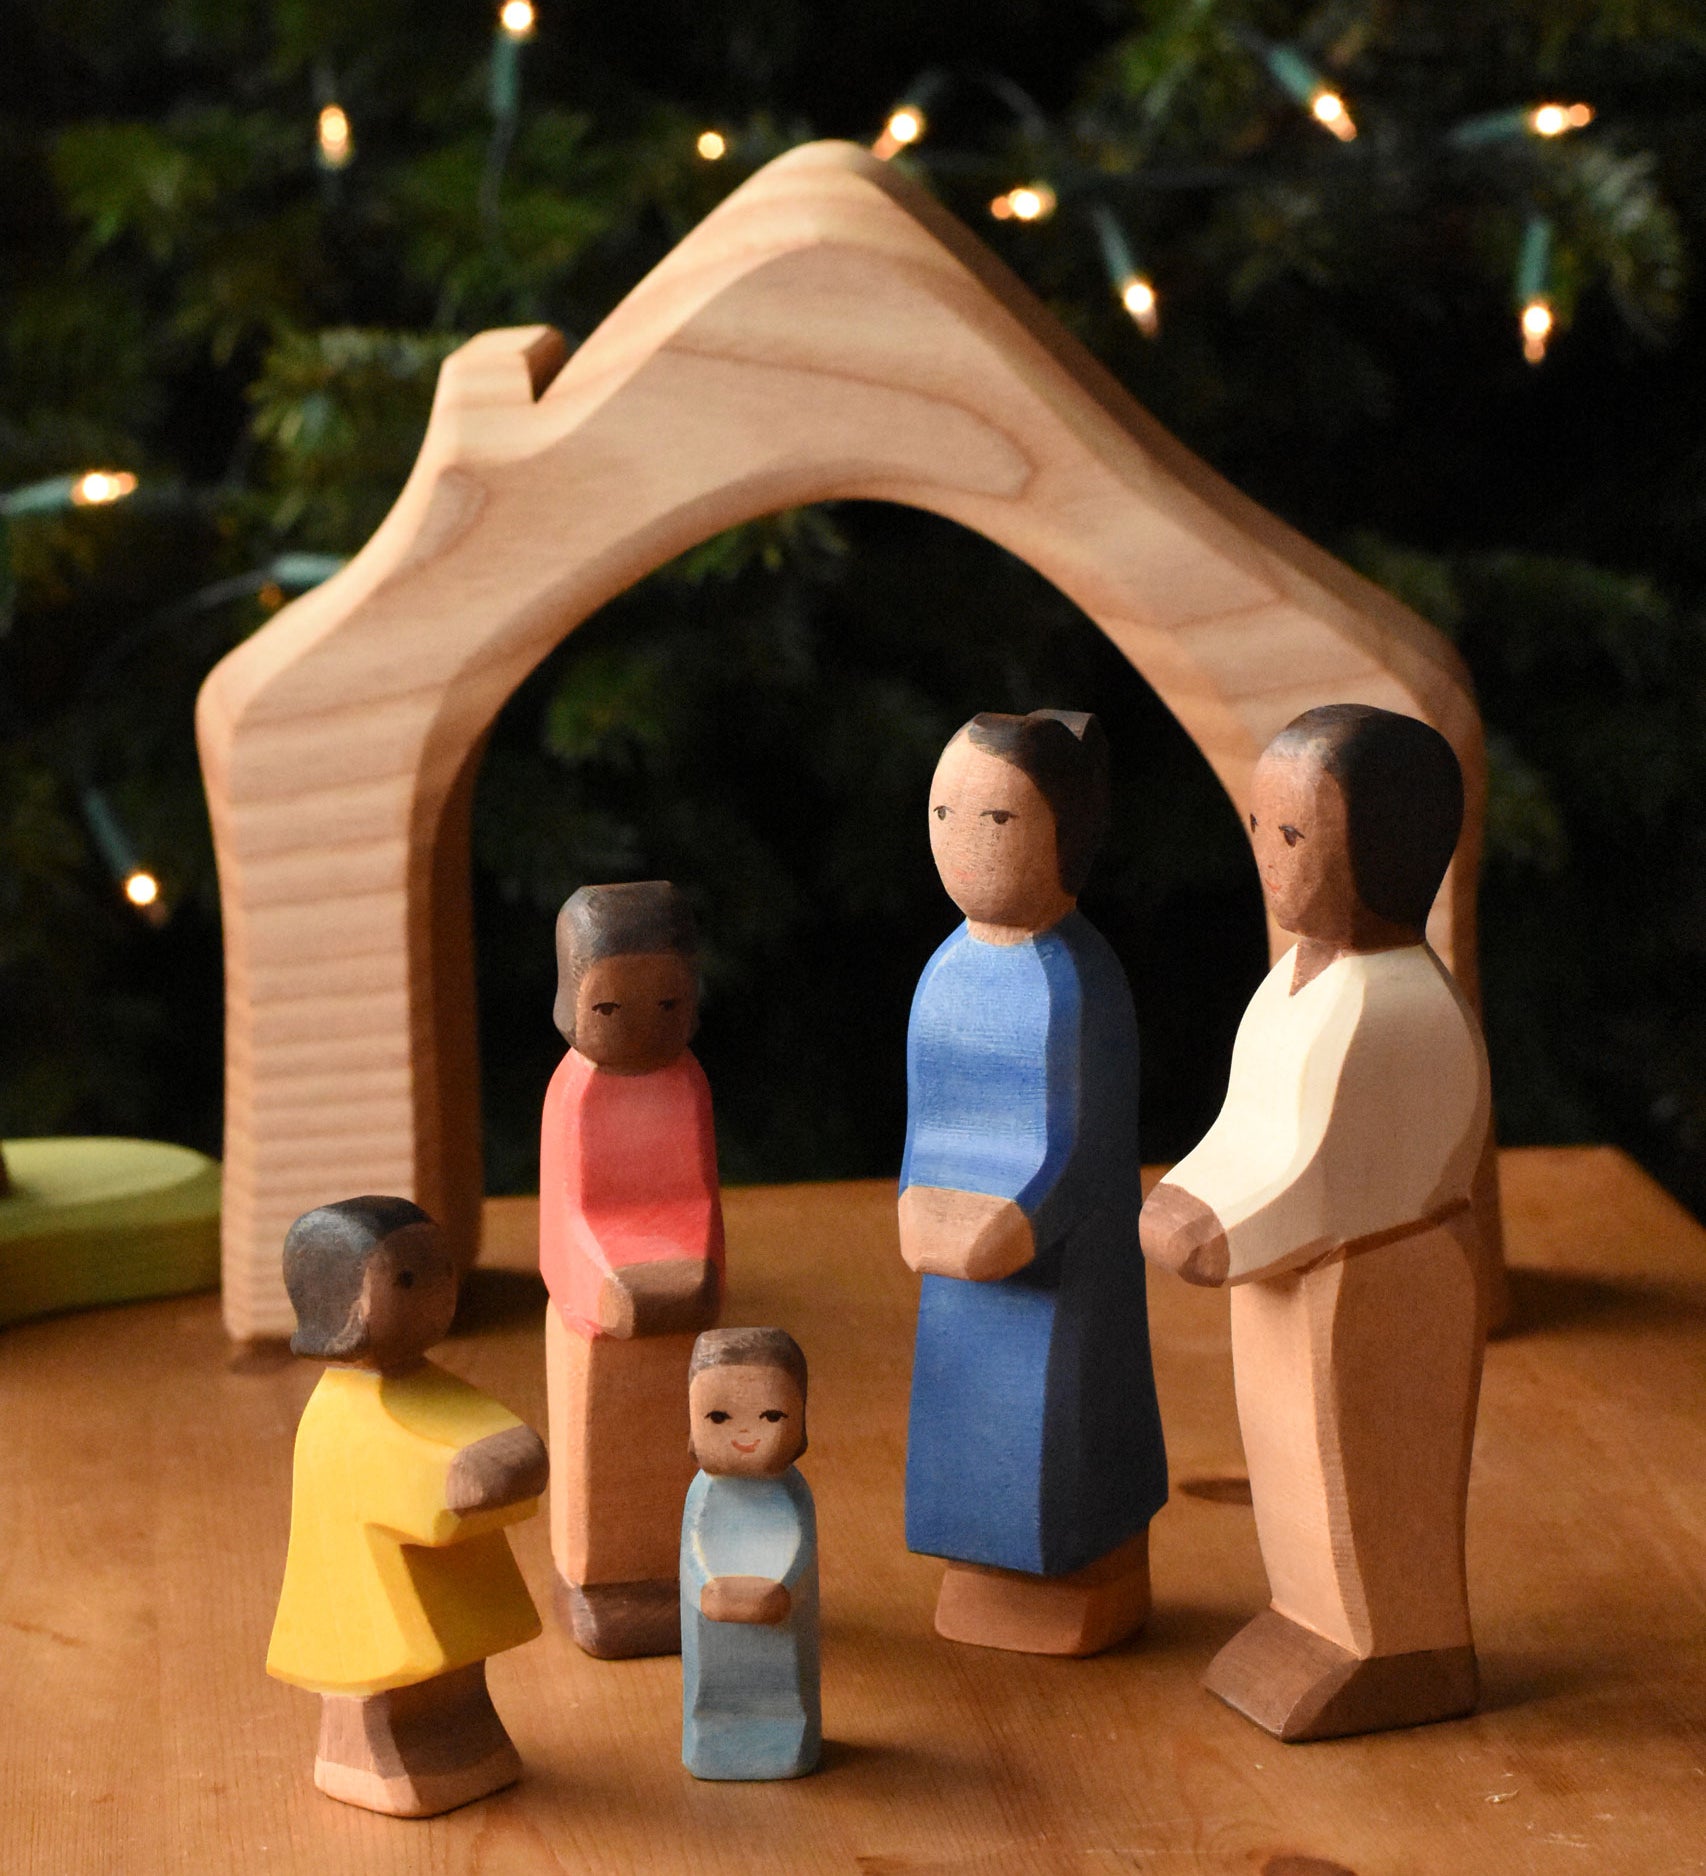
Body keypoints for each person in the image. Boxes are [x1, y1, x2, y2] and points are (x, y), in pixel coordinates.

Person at [1141, 703, 1491, 1740]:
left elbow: (1326, 1171)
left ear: (1381, 851)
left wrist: (1210, 1228)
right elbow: (1244, 1124)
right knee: (1288, 1464)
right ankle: (1304, 1619)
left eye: (1290, 836)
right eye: (1258, 828)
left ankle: (1393, 1650)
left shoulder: (1392, 1005)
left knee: (1366, 1484)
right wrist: (1189, 1193)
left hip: (1377, 1279)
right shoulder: (1293, 982)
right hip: (1291, 1275)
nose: (1263, 858)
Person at [899, 710, 1167, 1655]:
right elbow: (928, 1117)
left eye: (999, 822)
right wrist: (913, 1198)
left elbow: (1084, 1145)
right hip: (956, 1247)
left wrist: (1020, 1220)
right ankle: (980, 1571)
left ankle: (1093, 1573)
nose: (963, 844)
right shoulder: (945, 971)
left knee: (1063, 1427)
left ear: (1067, 834)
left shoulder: (1078, 979)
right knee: (963, 1412)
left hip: (1061, 1257)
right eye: (943, 812)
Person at [267, 1196, 547, 1816]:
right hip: (367, 1593)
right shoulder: (341, 1412)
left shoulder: (425, 1383)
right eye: (408, 1279)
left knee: (457, 1677)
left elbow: (481, 1430)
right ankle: (362, 1763)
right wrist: (459, 1476)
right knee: (384, 1692)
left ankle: (468, 1749)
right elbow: (391, 1470)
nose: (438, 1291)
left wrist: (500, 1462)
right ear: (344, 1303)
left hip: (438, 1583)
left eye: (442, 1271)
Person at [539, 880, 724, 1658]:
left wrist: (702, 1266)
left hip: (678, 1299)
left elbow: (698, 1194)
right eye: (611, 1009)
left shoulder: (686, 1085)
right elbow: (569, 1215)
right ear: (571, 1002)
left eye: (667, 1005)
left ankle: (685, 1578)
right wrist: (609, 1283)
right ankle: (600, 1584)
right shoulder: (576, 1094)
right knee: (602, 1467)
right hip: (598, 1317)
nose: (644, 1026)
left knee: (685, 1454)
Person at [680, 1327, 820, 1780]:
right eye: (718, 1417)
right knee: (713, 1693)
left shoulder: (792, 1493)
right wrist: (707, 1586)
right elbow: (692, 1553)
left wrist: (783, 1590)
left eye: (771, 1416)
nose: (745, 1433)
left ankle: (786, 1744)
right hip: (715, 1625)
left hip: (778, 1624)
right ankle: (714, 1744)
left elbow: (800, 1554)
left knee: (784, 1692)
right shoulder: (703, 1494)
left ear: (801, 1423)